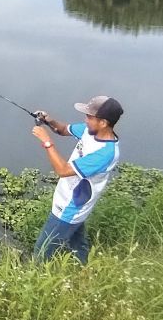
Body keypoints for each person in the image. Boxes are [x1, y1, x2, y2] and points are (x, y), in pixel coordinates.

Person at [29, 95, 123, 264]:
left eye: (89, 117)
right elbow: (63, 129)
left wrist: (47, 142)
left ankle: (38, 279)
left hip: (70, 208)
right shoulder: (91, 132)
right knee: (77, 244)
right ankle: (84, 271)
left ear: (103, 122)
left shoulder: (105, 153)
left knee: (42, 253)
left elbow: (63, 170)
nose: (85, 120)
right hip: (75, 203)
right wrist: (48, 120)